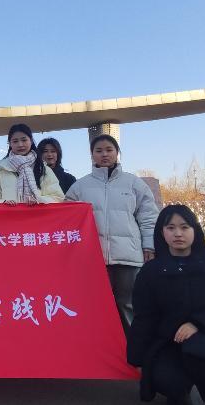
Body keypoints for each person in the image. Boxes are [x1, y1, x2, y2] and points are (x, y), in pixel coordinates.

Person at [128, 205, 205, 404]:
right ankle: (179, 393)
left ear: (195, 230)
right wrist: (137, 358)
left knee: (203, 358)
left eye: (184, 227)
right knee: (168, 379)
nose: (178, 233)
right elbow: (144, 317)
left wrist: (198, 323)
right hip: (169, 343)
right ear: (162, 232)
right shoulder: (150, 273)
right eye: (170, 228)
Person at [65, 134, 159, 333]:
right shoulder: (80, 187)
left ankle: (134, 348)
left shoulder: (134, 184)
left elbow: (149, 216)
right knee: (96, 306)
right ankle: (101, 347)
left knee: (128, 305)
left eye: (109, 150)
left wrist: (149, 245)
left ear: (117, 153)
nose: (104, 154)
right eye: (98, 151)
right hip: (93, 259)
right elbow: (66, 218)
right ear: (92, 155)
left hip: (128, 257)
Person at [0, 124, 64, 204]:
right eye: (15, 141)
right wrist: (3, 202)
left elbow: (57, 197)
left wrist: (39, 201)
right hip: (10, 213)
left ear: (31, 141)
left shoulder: (43, 168)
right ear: (10, 144)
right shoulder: (0, 170)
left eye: (24, 140)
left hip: (38, 213)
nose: (20, 144)